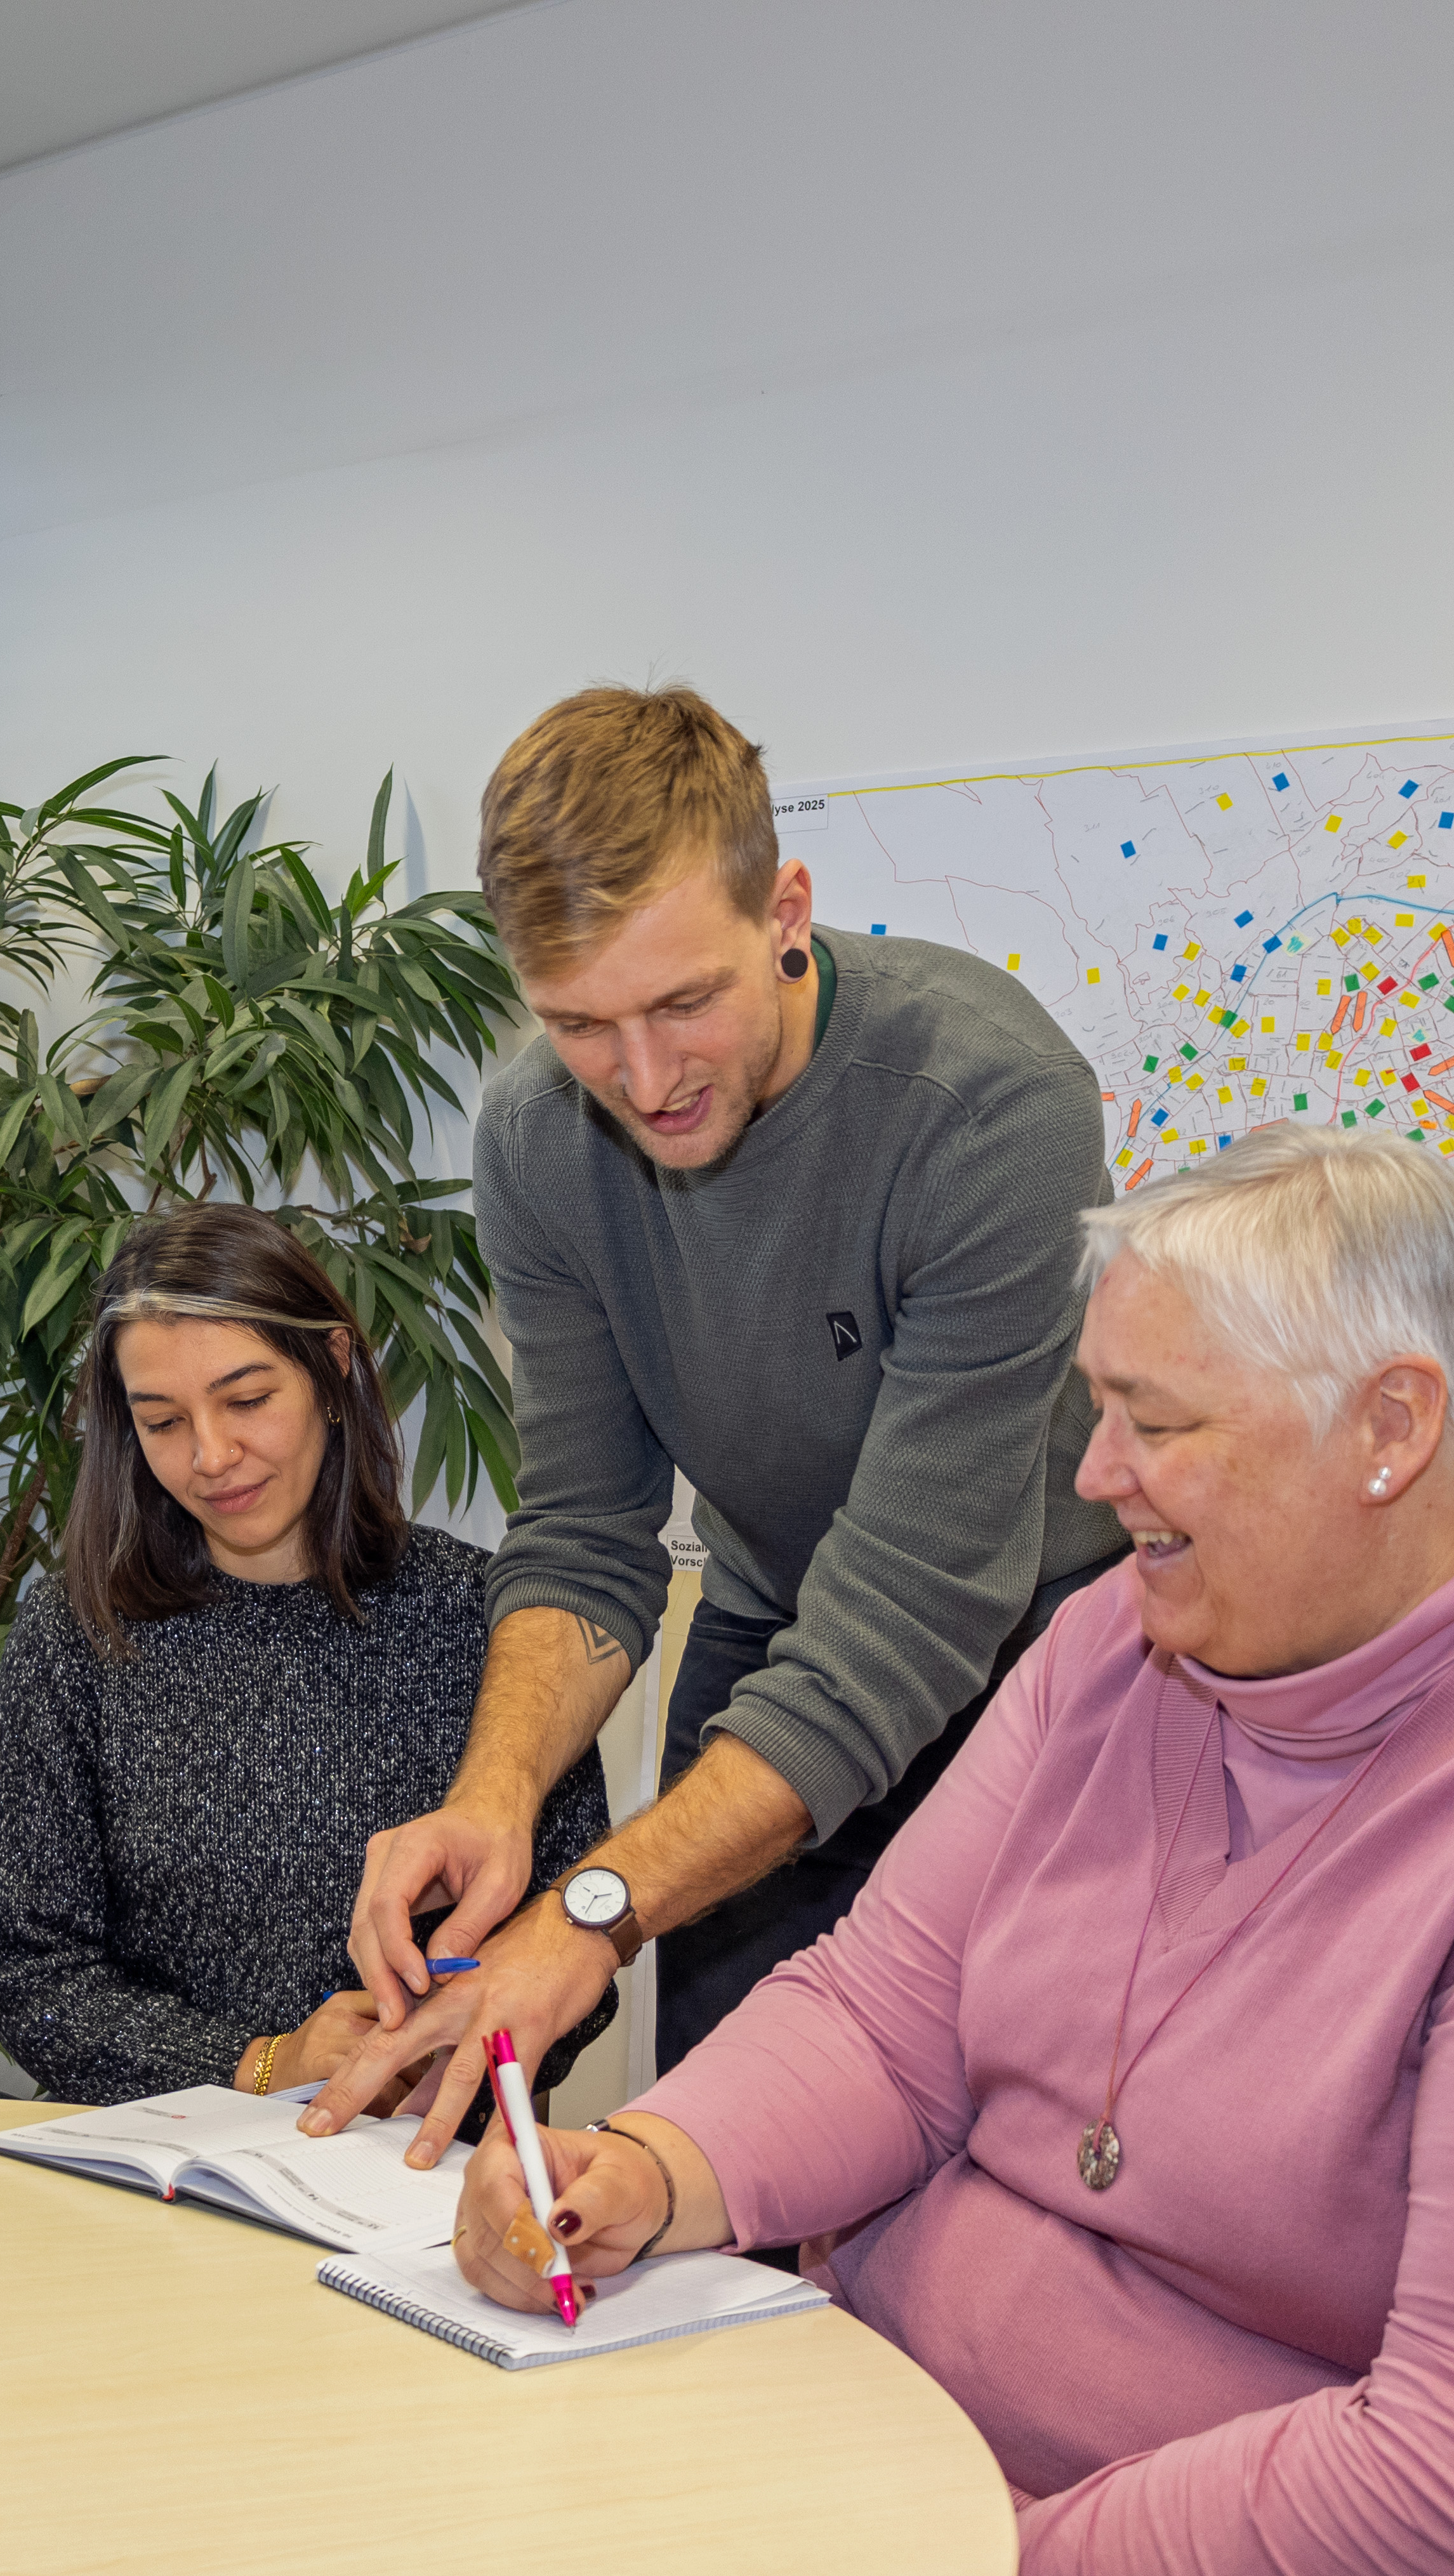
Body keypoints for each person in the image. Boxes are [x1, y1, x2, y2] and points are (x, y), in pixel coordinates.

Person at [453, 1124, 1454, 2576]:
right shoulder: (1122, 1644)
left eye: (1159, 1420)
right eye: (1100, 1407)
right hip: (952, 2502)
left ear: (1391, 1428)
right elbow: (883, 2012)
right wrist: (649, 2170)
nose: (1102, 1473)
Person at [311, 683, 1127, 2152]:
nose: (643, 1078)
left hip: (1045, 1660)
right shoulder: (536, 1138)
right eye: (579, 1022)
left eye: (685, 1001)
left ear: (786, 909)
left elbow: (912, 1615)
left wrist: (593, 1912)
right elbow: (582, 1532)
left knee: (974, 2165)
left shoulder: (989, 1105)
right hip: (773, 1628)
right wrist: (495, 1805)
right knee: (714, 2158)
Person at [0, 1206, 611, 2108]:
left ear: (333, 1365)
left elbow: (580, 1936)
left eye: (247, 1400)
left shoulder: (492, 1618)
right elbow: (29, 1972)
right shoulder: (80, 1631)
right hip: (159, 2174)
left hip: (425, 2180)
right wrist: (269, 2061)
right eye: (162, 1421)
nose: (212, 1455)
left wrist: (445, 2035)